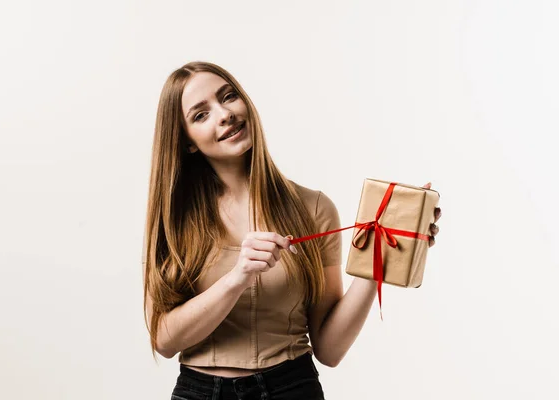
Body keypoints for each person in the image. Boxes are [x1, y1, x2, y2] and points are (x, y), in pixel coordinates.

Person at [142, 61, 442, 400]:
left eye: (229, 96)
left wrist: (378, 261)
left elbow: (329, 350)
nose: (224, 113)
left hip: (291, 388)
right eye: (201, 115)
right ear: (187, 142)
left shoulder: (315, 209)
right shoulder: (173, 218)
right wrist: (237, 277)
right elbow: (164, 340)